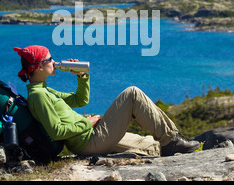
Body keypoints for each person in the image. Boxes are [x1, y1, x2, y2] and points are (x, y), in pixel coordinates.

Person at [14, 45, 200, 157]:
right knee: (132, 94)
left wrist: (81, 76)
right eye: (49, 59)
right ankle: (171, 139)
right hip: (89, 141)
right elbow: (56, 131)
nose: (54, 62)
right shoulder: (38, 96)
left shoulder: (44, 90)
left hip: (93, 135)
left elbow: (80, 100)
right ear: (38, 67)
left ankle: (171, 142)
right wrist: (87, 122)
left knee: (152, 146)